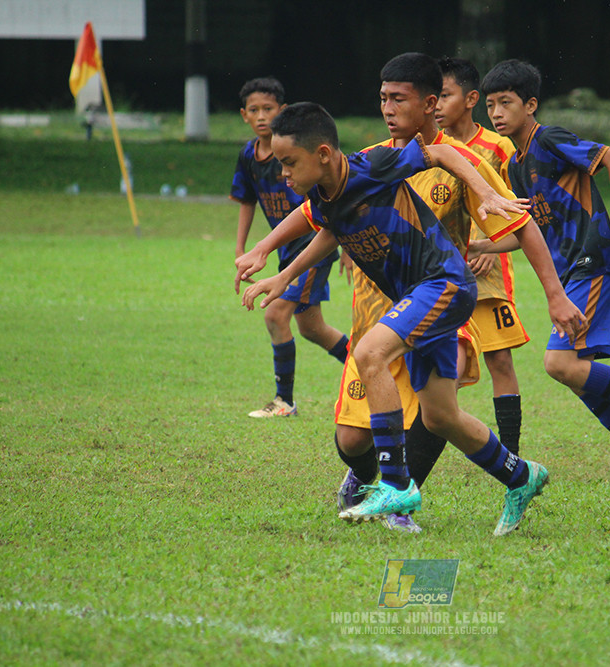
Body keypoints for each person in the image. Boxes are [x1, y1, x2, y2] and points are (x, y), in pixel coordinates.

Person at [236, 101, 584, 535]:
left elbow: (442, 153)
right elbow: (327, 228)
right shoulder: (325, 192)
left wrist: (486, 192)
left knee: (369, 353)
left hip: (443, 284)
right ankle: (521, 476)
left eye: (289, 162)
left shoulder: (372, 164)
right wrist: (279, 270)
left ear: (322, 153)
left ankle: (397, 484)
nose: (282, 172)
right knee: (440, 416)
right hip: (419, 296)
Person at [334, 52, 539, 534]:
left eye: (398, 98)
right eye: (383, 98)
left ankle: (399, 497)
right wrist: (282, 264)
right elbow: (322, 216)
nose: (388, 108)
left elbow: (522, 224)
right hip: (377, 306)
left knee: (433, 399)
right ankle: (520, 475)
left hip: (439, 298)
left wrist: (552, 293)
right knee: (362, 437)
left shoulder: (468, 157)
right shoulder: (372, 160)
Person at [477, 59, 610, 481]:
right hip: (570, 273)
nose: (496, 113)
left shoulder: (549, 139)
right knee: (578, 375)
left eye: (506, 103)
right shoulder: (516, 164)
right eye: (491, 105)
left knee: (559, 364)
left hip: (593, 261)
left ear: (530, 105)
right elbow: (529, 231)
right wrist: (479, 245)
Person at [230, 78, 348, 418]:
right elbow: (247, 200)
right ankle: (372, 364)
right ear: (244, 115)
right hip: (285, 250)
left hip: (314, 246)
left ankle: (284, 401)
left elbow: (334, 205)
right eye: (254, 110)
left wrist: (349, 246)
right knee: (312, 328)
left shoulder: (302, 156)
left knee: (275, 313)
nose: (261, 116)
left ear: (281, 112)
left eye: (268, 109)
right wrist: (241, 248)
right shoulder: (249, 156)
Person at [437, 56, 528, 456]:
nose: (436, 104)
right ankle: (426, 437)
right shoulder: (428, 148)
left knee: (500, 361)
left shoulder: (499, 148)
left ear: (470, 99)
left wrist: (490, 246)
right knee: (445, 366)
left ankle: (511, 456)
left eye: (444, 95)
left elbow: (516, 206)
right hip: (440, 274)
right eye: (433, 96)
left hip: (487, 275)